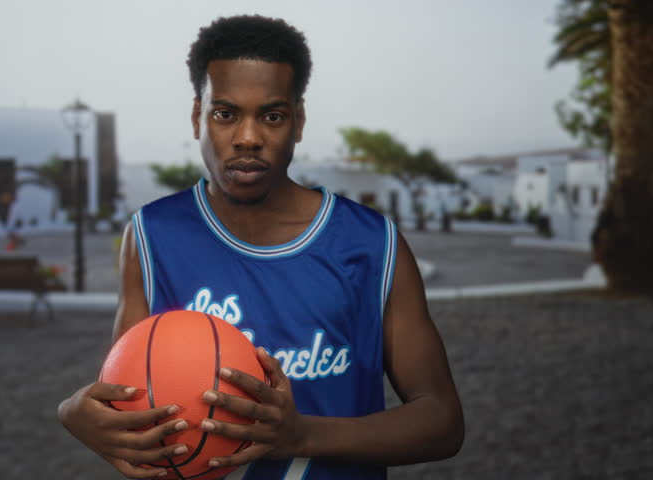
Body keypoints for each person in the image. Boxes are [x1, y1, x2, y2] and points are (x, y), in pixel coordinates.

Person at [58, 15, 464, 480]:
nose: (248, 138)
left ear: (299, 121)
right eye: (225, 114)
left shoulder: (373, 244)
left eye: (271, 116)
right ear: (197, 118)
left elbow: (443, 421)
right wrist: (76, 412)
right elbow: (128, 394)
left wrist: (302, 436)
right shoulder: (151, 237)